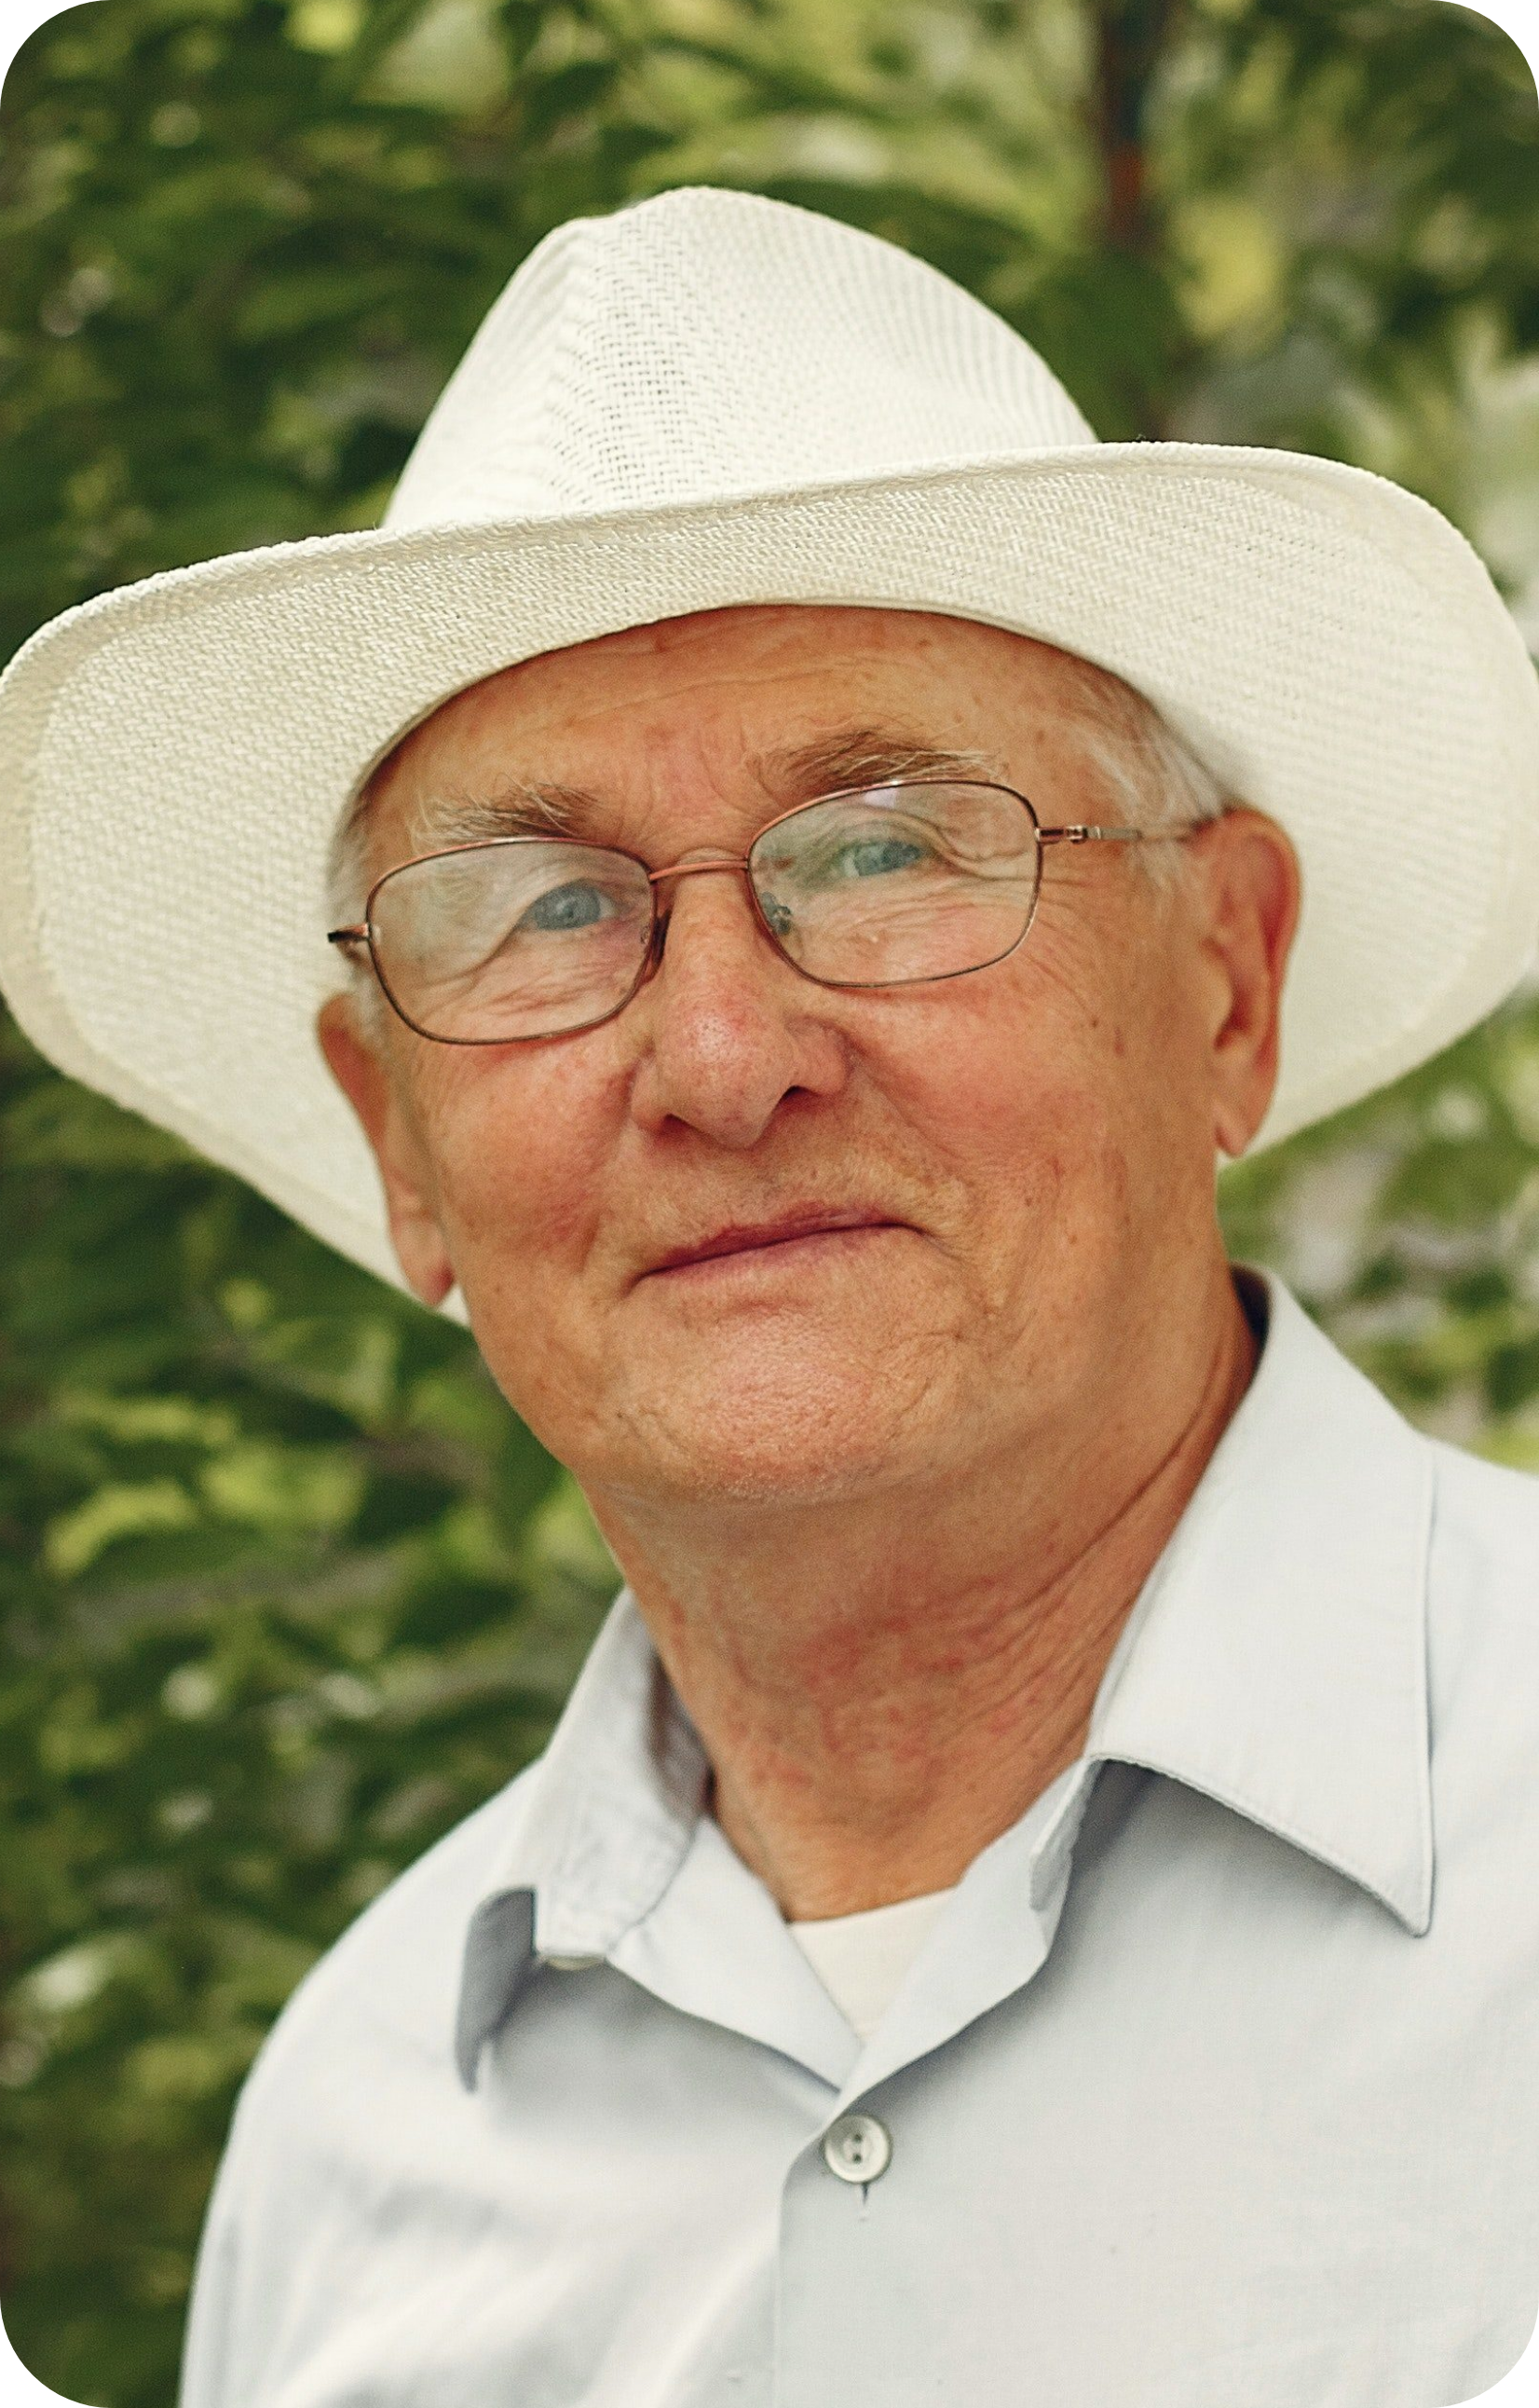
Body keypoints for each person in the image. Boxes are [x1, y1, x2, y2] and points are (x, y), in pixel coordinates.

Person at [2, 186, 1536, 2408]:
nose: (721, 1057)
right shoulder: (354, 2132)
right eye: (537, 908)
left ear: (1224, 976)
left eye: (891, 847)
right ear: (394, 1141)